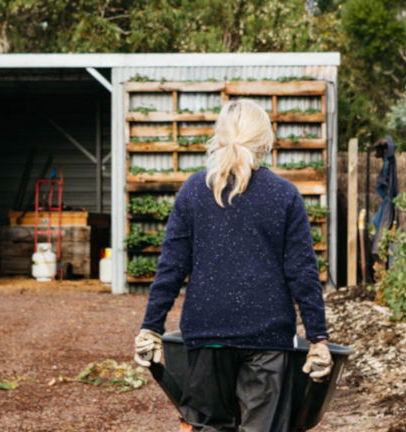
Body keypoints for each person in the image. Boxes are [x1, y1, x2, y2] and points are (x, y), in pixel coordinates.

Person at [133, 99, 332, 432]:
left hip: (207, 334)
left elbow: (171, 266)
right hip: (268, 338)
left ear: (217, 140)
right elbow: (303, 273)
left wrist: (151, 328)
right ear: (267, 145)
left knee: (211, 428)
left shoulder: (195, 191)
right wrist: (318, 339)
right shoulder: (284, 195)